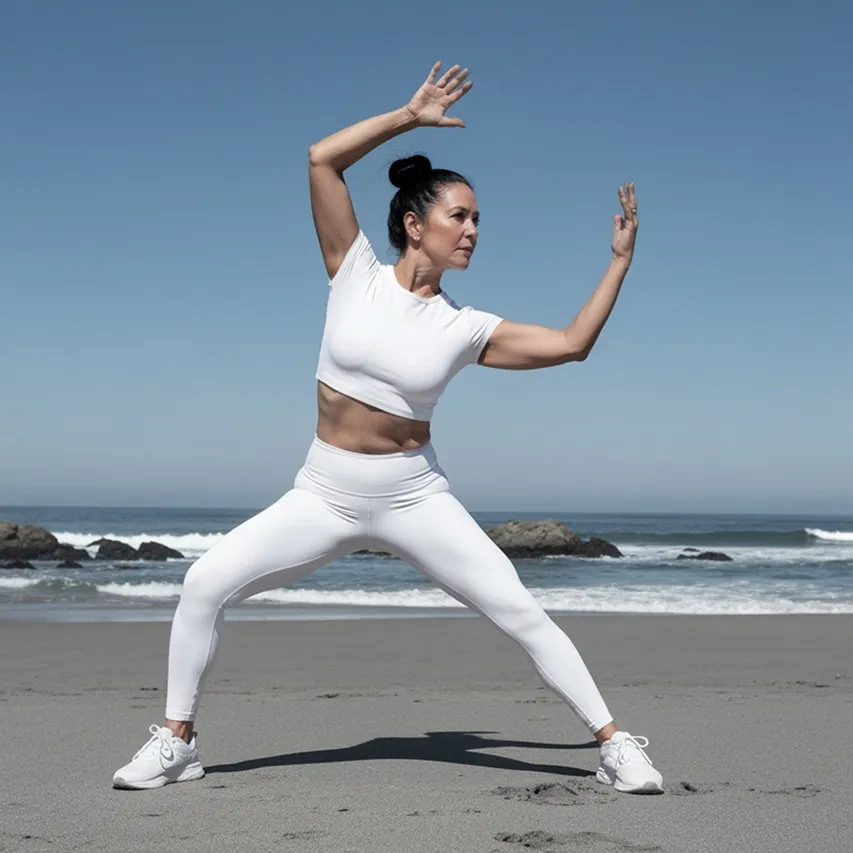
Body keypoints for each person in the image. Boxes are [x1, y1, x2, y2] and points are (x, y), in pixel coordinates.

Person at [112, 61, 664, 795]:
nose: (472, 231)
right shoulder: (353, 271)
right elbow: (322, 158)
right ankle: (177, 742)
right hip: (324, 491)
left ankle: (614, 743)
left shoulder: (467, 327)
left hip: (413, 496)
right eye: (458, 216)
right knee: (204, 581)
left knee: (518, 610)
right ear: (413, 222)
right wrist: (408, 116)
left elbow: (570, 344)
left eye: (476, 221)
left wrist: (617, 265)